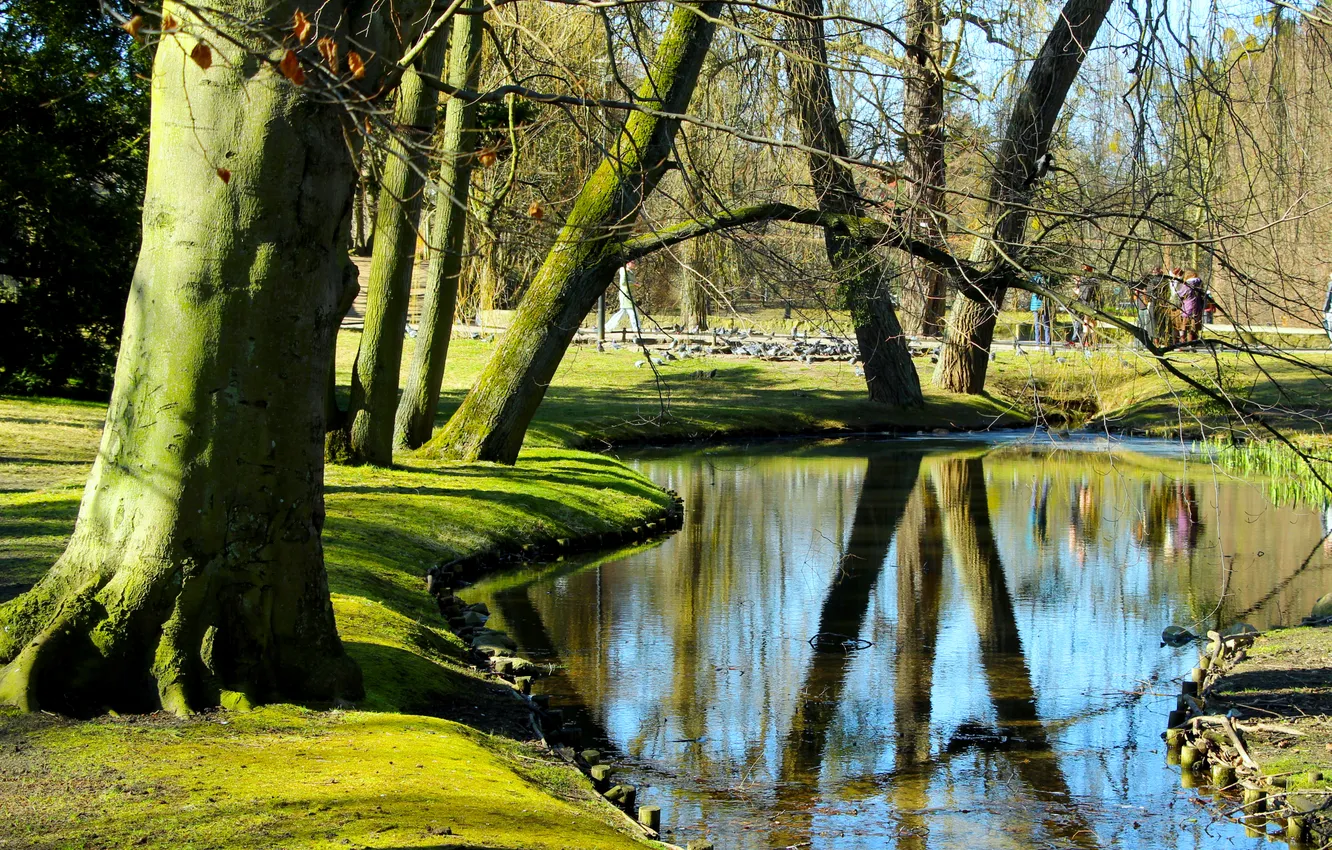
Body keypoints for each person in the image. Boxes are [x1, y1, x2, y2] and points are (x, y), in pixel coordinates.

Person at [605, 260, 642, 335]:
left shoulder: (630, 272)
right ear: (628, 263)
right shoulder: (624, 271)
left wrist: (636, 283)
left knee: (623, 312)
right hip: (626, 295)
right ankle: (636, 328)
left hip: (630, 295)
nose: (634, 264)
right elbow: (623, 283)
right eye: (633, 262)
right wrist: (634, 284)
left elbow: (630, 282)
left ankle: (608, 326)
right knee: (632, 312)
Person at [1176, 270, 1205, 344]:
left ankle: (1184, 343)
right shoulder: (1200, 283)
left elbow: (1180, 294)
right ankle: (1192, 344)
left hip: (1187, 307)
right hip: (1197, 308)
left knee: (1185, 327)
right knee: (1193, 328)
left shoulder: (1187, 284)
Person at [1029, 274, 1051, 347]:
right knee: (1046, 324)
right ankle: (1047, 343)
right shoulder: (1046, 279)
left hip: (1036, 306)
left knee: (1037, 325)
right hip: (1043, 305)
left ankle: (1038, 343)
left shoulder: (1033, 279)